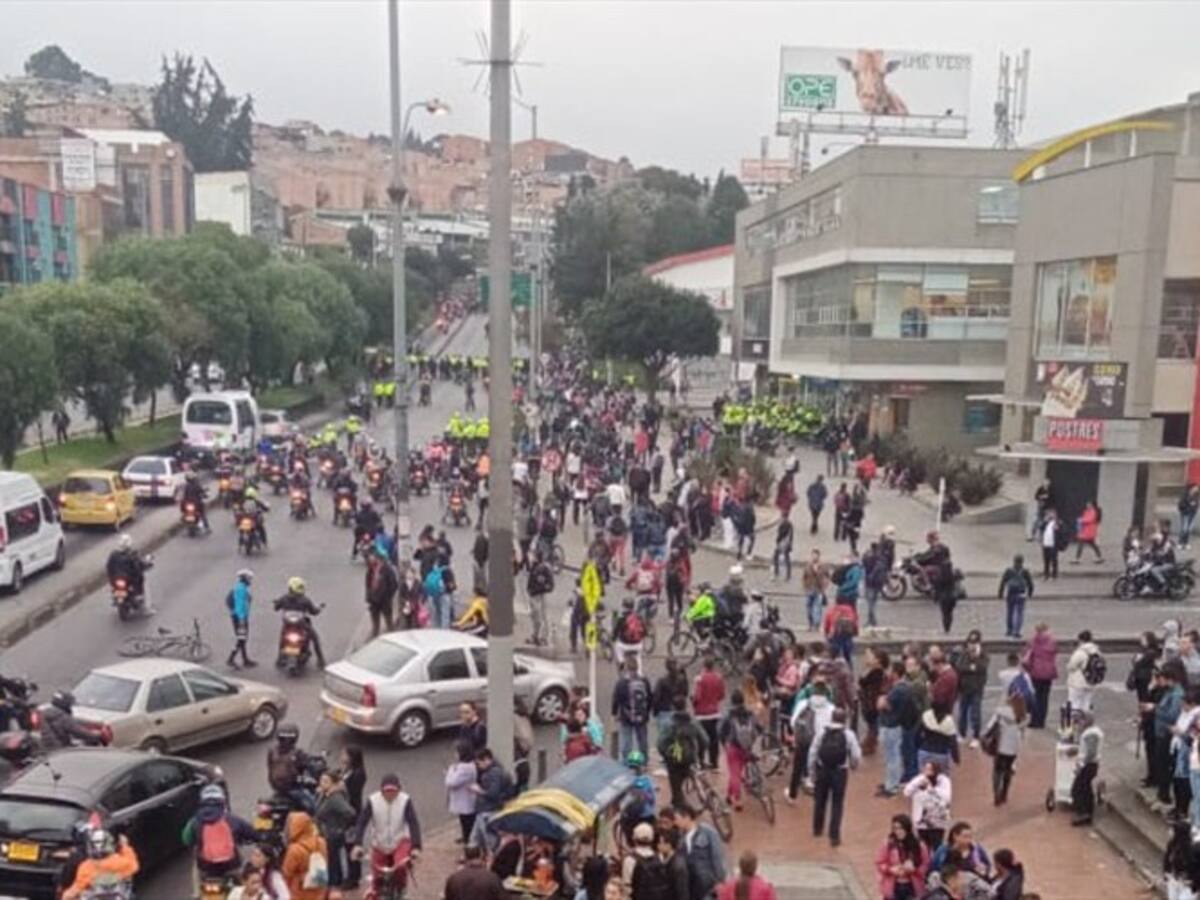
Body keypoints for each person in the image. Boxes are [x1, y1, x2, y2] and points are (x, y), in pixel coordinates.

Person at [351, 773, 422, 892]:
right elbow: (361, 823)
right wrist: (357, 844)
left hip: (400, 841)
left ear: (399, 790)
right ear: (381, 791)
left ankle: (400, 890)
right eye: (387, 791)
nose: (390, 794)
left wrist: (416, 847)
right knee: (377, 878)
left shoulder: (405, 800)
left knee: (400, 869)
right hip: (379, 843)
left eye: (393, 791)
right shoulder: (373, 800)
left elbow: (413, 823)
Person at [182, 783, 258, 883]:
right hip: (232, 866)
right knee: (242, 882)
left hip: (207, 869)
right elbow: (252, 833)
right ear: (222, 801)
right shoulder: (233, 819)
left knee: (196, 866)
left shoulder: (194, 821)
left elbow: (186, 839)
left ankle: (197, 894)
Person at [811, 707, 861, 847]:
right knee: (837, 803)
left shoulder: (822, 732)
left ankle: (817, 829)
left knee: (820, 799)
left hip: (823, 770)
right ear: (844, 720)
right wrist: (853, 765)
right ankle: (834, 835)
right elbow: (856, 755)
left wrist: (812, 772)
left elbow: (813, 752)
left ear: (831, 718)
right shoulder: (848, 734)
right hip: (840, 772)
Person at [659, 696, 708, 809]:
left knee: (676, 789)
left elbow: (660, 743)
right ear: (685, 706)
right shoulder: (693, 722)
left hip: (674, 762)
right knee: (697, 775)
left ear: (673, 707)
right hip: (690, 758)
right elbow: (705, 740)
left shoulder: (668, 724)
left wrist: (667, 756)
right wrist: (699, 754)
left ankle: (679, 808)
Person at [62, 829, 139, 900]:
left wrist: (65, 896)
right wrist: (124, 845)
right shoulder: (120, 862)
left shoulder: (86, 867)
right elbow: (134, 865)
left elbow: (76, 890)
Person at [718, 689, 759, 812]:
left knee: (735, 774)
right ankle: (728, 796)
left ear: (732, 701)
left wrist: (724, 743)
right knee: (737, 771)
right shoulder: (750, 714)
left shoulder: (729, 715)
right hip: (746, 748)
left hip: (733, 747)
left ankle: (737, 799)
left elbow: (720, 731)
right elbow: (758, 728)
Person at [314, 770, 357, 887]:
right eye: (321, 780)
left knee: (333, 860)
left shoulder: (335, 798)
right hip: (326, 832)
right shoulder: (324, 794)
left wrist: (340, 825)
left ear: (333, 784)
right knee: (332, 859)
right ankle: (335, 880)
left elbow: (350, 812)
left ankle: (335, 882)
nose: (322, 783)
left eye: (326, 781)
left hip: (333, 834)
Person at [675, 804, 726, 900]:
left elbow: (717, 857)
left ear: (687, 817)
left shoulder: (708, 832)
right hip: (693, 888)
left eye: (678, 818)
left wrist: (720, 881)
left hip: (709, 887)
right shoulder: (681, 839)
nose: (676, 822)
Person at [273, 576, 326, 669]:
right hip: (301, 625)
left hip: (288, 625)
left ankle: (279, 659)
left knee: (282, 638)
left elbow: (276, 608)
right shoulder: (305, 599)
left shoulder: (284, 598)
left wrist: (276, 603)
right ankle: (321, 660)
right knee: (315, 638)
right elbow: (314, 612)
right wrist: (320, 608)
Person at [468, 748, 514, 852]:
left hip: (488, 811)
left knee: (489, 840)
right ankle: (473, 854)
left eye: (479, 763)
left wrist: (479, 790)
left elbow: (493, 794)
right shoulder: (496, 771)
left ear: (486, 760)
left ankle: (488, 858)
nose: (478, 767)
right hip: (485, 810)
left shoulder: (493, 774)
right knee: (475, 838)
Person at [876, 813, 929, 900]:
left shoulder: (918, 845)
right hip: (893, 886)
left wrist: (915, 869)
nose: (898, 831)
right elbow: (880, 863)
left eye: (901, 828)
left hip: (912, 886)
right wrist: (890, 869)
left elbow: (925, 863)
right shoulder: (888, 843)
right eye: (895, 828)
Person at [983, 695, 1024, 807]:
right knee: (1007, 770)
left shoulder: (1000, 713)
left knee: (997, 771)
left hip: (1001, 747)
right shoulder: (1021, 714)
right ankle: (1004, 793)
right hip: (1013, 749)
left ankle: (996, 795)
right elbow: (1021, 733)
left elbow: (989, 726)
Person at [904, 761, 952, 853]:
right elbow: (907, 792)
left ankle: (937, 865)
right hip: (922, 821)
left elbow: (946, 797)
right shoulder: (919, 779)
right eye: (926, 769)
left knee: (937, 846)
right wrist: (917, 785)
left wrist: (930, 788)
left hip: (938, 820)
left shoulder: (944, 781)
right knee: (924, 847)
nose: (927, 772)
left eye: (930, 770)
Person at [614, 653, 654, 760]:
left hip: (626, 716)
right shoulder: (644, 681)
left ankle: (627, 762)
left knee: (627, 740)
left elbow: (617, 699)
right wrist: (647, 712)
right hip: (641, 716)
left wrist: (614, 713)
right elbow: (650, 697)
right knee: (642, 740)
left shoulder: (622, 683)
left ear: (626, 668)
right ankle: (644, 760)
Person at [281, 812, 328, 900]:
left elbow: (287, 873)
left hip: (299, 891)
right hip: (318, 886)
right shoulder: (321, 842)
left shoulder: (294, 849)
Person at [39, 690, 106, 751]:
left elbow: (74, 721)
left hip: (48, 747)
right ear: (65, 704)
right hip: (59, 750)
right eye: (70, 705)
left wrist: (95, 724)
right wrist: (98, 736)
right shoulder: (61, 717)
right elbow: (79, 732)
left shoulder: (48, 713)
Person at [953, 632, 988, 747]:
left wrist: (975, 660)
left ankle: (975, 736)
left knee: (975, 713)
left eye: (975, 642)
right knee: (962, 713)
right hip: (964, 689)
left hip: (977, 689)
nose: (972, 645)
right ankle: (962, 734)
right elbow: (960, 667)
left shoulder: (983, 655)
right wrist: (971, 668)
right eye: (970, 642)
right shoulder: (963, 654)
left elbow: (982, 668)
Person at [339, 746, 367, 889]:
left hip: (352, 815)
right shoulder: (346, 770)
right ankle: (350, 875)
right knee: (346, 845)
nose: (341, 756)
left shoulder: (358, 774)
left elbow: (353, 794)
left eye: (344, 754)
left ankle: (354, 877)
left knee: (352, 845)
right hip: (346, 814)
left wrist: (341, 787)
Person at [1069, 711, 1104, 826]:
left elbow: (1091, 753)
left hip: (1088, 765)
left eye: (1080, 721)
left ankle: (1083, 813)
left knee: (1078, 789)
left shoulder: (1091, 734)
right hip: (1090, 765)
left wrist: (1081, 765)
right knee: (1085, 788)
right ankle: (1086, 812)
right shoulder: (1091, 732)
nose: (1079, 724)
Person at [692, 657, 726, 772]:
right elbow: (722, 695)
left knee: (701, 739)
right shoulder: (719, 678)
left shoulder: (700, 679)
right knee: (713, 739)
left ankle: (701, 762)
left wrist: (694, 703)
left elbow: (697, 696)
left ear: (704, 666)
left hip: (701, 714)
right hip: (714, 713)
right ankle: (714, 762)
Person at [1023, 623, 1058, 728]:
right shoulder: (1052, 642)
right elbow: (1055, 652)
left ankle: (1035, 721)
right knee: (1044, 698)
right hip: (1048, 673)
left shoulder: (1033, 641)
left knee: (1036, 697)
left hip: (1035, 672)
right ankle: (1042, 720)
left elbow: (1026, 656)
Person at [445, 740, 479, 848]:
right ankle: (466, 840)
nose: (455, 755)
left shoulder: (465, 768)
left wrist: (450, 771)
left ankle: (468, 844)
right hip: (465, 800)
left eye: (457, 752)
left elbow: (451, 782)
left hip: (465, 802)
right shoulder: (467, 765)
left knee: (467, 824)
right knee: (464, 822)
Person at [106, 533, 151, 611]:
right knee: (140, 579)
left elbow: (109, 567)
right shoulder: (132, 554)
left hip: (116, 579)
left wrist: (111, 577)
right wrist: (146, 564)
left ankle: (132, 598)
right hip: (128, 579)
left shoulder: (113, 554)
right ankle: (140, 598)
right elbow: (138, 565)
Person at [225, 568, 258, 669]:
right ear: (245, 579)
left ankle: (245, 659)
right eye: (249, 579)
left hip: (239, 617)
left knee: (243, 638)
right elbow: (239, 606)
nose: (250, 581)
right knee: (241, 639)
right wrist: (242, 619)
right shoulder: (240, 590)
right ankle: (231, 659)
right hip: (239, 618)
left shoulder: (240, 588)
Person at [997, 555, 1034, 640]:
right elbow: (1030, 583)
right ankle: (1017, 631)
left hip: (1011, 593)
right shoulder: (1025, 571)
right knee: (1019, 613)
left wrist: (1000, 593)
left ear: (1014, 561)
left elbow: (1003, 582)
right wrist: (1030, 594)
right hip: (1021, 593)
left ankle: (1009, 630)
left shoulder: (1009, 571)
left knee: (1010, 612)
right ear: (1022, 562)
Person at [1066, 629, 1102, 713]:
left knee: (1074, 703)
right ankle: (1086, 722)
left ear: (1080, 640)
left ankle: (1075, 722)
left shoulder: (1081, 652)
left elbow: (1071, 666)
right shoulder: (1097, 651)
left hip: (1078, 682)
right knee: (1086, 703)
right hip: (1091, 680)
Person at [802, 549, 829, 632]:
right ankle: (810, 624)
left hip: (819, 590)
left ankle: (816, 625)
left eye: (815, 555)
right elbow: (804, 577)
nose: (814, 557)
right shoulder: (807, 566)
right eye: (813, 555)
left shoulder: (823, 566)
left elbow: (827, 577)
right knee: (809, 608)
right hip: (809, 589)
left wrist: (824, 587)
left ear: (818, 556)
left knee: (817, 608)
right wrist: (805, 586)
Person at [1040, 509, 1063, 580]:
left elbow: (1063, 532)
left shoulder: (1058, 522)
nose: (1050, 515)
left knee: (1054, 560)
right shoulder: (1046, 522)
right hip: (1046, 543)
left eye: (1052, 514)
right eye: (1049, 514)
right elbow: (1041, 528)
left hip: (1053, 544)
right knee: (1046, 560)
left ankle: (1054, 574)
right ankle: (1046, 574)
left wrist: (1058, 529)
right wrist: (1044, 521)